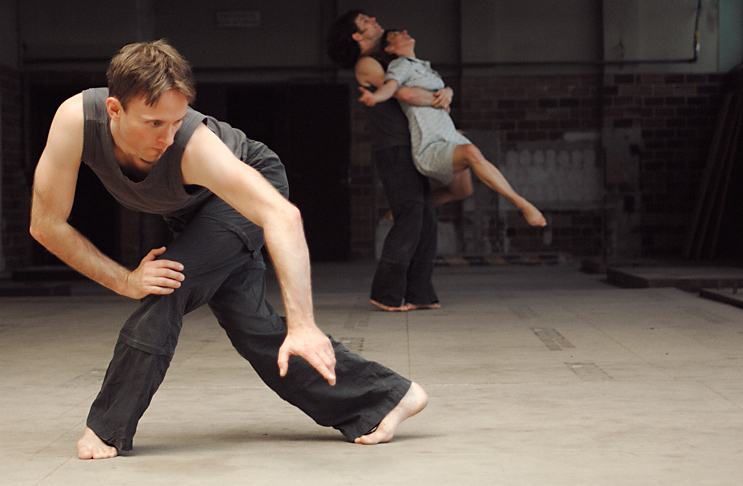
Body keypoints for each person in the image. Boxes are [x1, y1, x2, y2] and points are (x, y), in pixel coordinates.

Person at [29, 39, 427, 459]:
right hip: (191, 211)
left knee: (167, 287)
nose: (167, 137)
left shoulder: (193, 147)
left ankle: (107, 428)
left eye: (176, 121)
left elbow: (282, 216)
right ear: (114, 109)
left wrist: (304, 325)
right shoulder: (76, 121)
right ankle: (387, 396)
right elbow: (46, 224)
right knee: (255, 332)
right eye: (153, 123)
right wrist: (124, 280)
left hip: (251, 191)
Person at [359, 29, 548, 228]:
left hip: (448, 134)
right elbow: (392, 87)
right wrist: (376, 97)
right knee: (471, 153)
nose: (404, 32)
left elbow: (442, 97)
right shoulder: (400, 64)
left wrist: (449, 91)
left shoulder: (427, 69)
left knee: (462, 192)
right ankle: (522, 204)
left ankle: (399, 210)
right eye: (396, 34)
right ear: (390, 48)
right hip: (430, 144)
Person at [326, 11, 447, 312]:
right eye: (366, 21)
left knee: (427, 219)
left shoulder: (392, 60)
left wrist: (446, 91)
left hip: (411, 143)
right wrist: (438, 95)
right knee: (410, 215)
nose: (375, 20)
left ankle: (420, 293)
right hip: (393, 148)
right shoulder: (367, 64)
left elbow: (419, 86)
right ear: (357, 35)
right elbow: (405, 93)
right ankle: (386, 293)